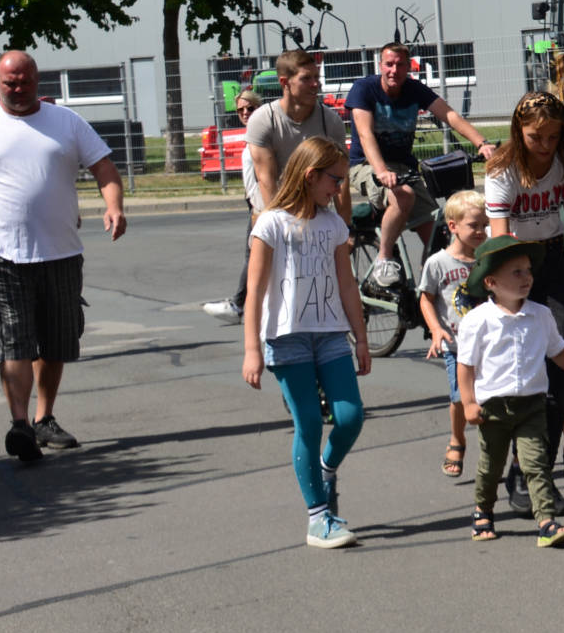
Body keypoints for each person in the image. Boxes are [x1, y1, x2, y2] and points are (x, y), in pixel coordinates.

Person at [0, 51, 128, 463]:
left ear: (37, 81)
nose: (17, 88)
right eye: (9, 82)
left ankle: (44, 418)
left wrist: (114, 206)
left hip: (61, 253)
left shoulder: (67, 122)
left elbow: (105, 169)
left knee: (57, 341)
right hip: (3, 256)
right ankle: (19, 424)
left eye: (24, 81)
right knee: (15, 340)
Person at [240, 138, 373, 549]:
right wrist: (252, 349)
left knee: (350, 417)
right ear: (311, 176)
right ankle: (318, 519)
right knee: (310, 423)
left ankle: (325, 470)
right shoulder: (270, 223)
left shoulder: (333, 225)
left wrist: (361, 338)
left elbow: (347, 285)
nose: (340, 189)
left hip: (330, 334)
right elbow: (254, 290)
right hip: (286, 338)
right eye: (335, 180)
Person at [485, 91, 564, 505]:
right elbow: (500, 239)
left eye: (554, 136)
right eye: (536, 137)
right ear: (519, 131)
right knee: (524, 373)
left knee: (559, 372)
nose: (546, 145)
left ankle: (536, 475)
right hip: (513, 263)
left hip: (551, 261)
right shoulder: (502, 170)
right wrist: (512, 293)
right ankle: (518, 470)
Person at [456, 234, 564, 547]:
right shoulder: (478, 321)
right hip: (493, 408)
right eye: (517, 272)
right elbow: (465, 365)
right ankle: (483, 510)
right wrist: (468, 403)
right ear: (491, 282)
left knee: (536, 465)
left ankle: (546, 522)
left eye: (528, 271)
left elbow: (559, 351)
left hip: (532, 405)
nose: (527, 278)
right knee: (491, 467)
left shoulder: (540, 314)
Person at [206, 51, 348, 322]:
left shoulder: (330, 121)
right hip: (276, 209)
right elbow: (267, 180)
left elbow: (342, 177)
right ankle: (250, 310)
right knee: (265, 264)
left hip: (317, 208)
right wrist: (283, 228)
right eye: (306, 79)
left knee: (325, 276)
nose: (316, 84)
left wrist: (346, 227)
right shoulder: (263, 120)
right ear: (285, 82)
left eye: (317, 77)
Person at [348, 41, 498, 287]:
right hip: (367, 165)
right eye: (389, 64)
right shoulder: (364, 89)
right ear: (380, 65)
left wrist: (481, 143)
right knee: (403, 195)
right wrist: (381, 171)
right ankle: (384, 258)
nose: (394, 70)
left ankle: (429, 288)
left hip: (404, 167)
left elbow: (450, 115)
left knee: (436, 233)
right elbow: (365, 135)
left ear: (408, 67)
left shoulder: (414, 89)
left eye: (400, 65)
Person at [419, 189, 488, 478]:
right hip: (456, 345)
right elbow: (426, 299)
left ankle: (492, 450)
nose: (481, 231)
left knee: (489, 398)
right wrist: (436, 329)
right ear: (453, 226)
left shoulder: (488, 258)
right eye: (474, 225)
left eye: (485, 224)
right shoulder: (438, 263)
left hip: (488, 344)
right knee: (460, 397)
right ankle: (457, 439)